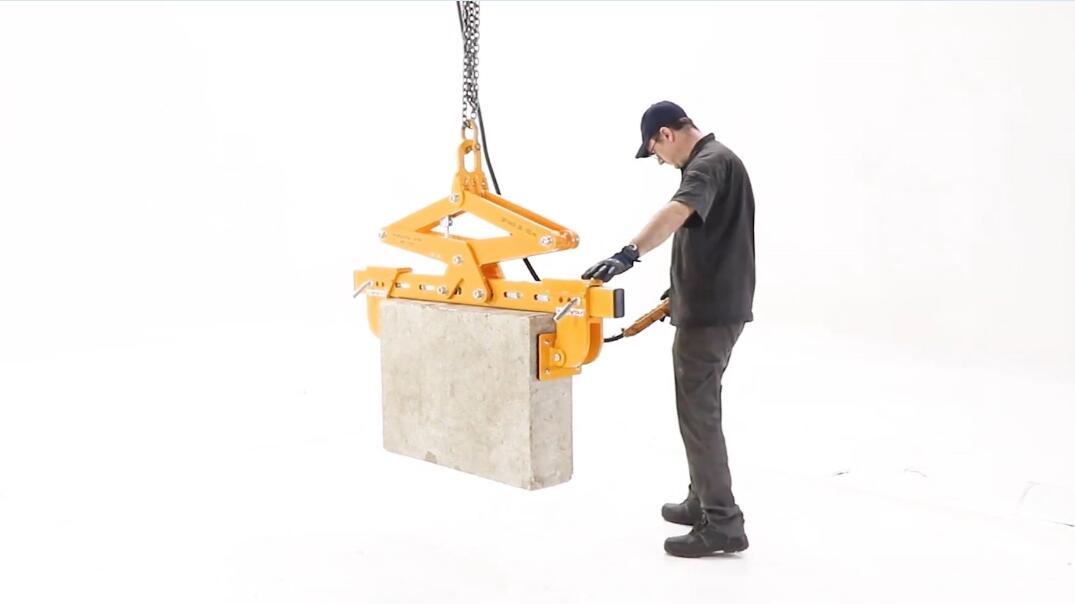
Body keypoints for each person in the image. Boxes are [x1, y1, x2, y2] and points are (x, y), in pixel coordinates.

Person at [580, 100, 756, 558]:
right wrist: (678, 288)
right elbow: (713, 239)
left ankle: (722, 522)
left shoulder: (708, 163)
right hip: (710, 306)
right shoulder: (717, 161)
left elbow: (678, 211)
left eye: (654, 150)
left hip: (710, 314)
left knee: (699, 415)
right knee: (698, 410)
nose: (658, 160)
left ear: (666, 134)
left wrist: (628, 253)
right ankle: (701, 499)